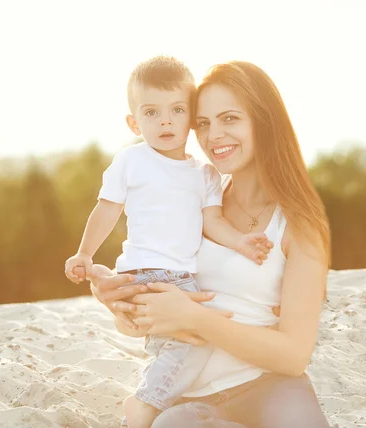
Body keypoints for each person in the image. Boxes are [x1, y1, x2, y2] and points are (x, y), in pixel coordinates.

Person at [90, 60, 331, 427]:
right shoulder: (194, 198)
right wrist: (118, 299)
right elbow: (147, 311)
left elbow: (294, 356)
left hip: (270, 386)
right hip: (187, 397)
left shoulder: (300, 224)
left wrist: (196, 318)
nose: (213, 134)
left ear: (263, 121)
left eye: (229, 118)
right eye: (203, 123)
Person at [64, 56, 272, 428]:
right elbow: (107, 210)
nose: (165, 121)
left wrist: (241, 242)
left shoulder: (204, 174)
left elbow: (214, 221)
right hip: (143, 272)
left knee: (173, 345)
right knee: (197, 340)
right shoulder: (132, 160)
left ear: (191, 117)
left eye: (177, 110)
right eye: (152, 112)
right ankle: (144, 407)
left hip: (182, 278)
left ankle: (155, 406)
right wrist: (85, 252)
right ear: (134, 122)